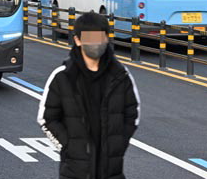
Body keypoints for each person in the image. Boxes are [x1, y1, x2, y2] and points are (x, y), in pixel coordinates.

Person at [37, 12, 141, 179]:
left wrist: (118, 144)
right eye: (89, 37)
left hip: (111, 172)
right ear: (78, 40)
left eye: (99, 37)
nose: (95, 43)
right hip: (74, 172)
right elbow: (46, 118)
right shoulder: (63, 76)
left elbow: (132, 114)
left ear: (107, 39)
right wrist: (68, 145)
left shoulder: (120, 75)